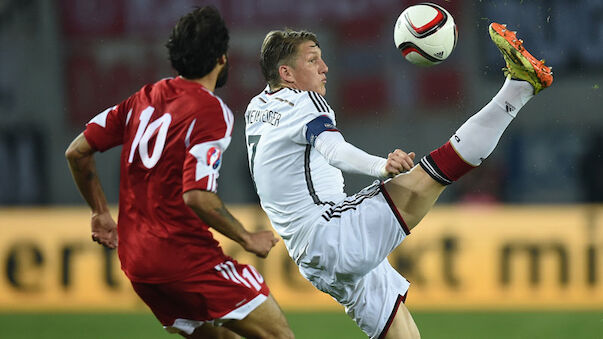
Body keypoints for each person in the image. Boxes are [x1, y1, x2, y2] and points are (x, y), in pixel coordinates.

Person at [244, 23, 552, 338]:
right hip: (333, 234)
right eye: (312, 61)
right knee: (432, 174)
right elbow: (334, 150)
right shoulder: (303, 102)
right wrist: (382, 166)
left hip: (311, 256)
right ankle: (520, 86)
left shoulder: (256, 109)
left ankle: (519, 86)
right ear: (287, 74)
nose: (324, 68)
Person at [65, 7, 294, 339]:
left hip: (137, 264)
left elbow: (77, 151)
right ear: (222, 57)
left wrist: (100, 212)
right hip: (184, 259)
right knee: (280, 336)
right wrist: (247, 237)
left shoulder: (142, 100)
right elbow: (196, 195)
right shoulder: (212, 111)